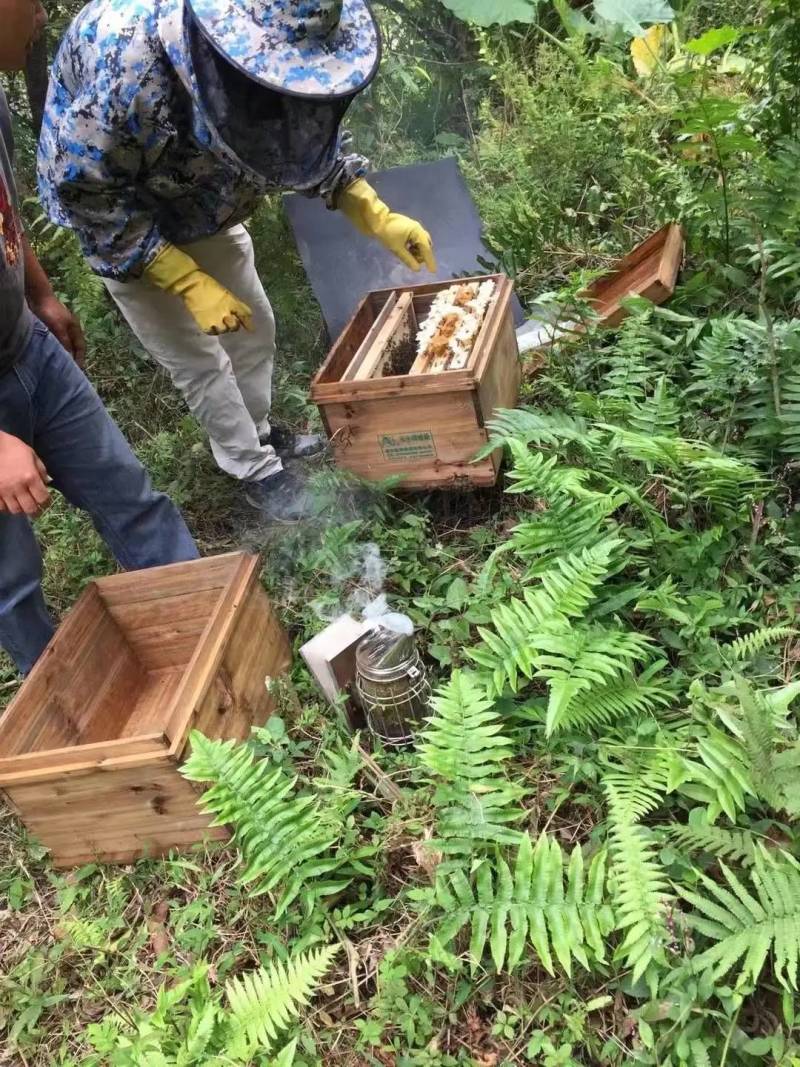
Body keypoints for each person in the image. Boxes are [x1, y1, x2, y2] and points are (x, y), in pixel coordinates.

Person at [38, 0, 437, 523]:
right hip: (120, 211)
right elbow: (86, 192)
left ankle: (259, 431)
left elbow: (293, 129)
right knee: (199, 359)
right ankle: (251, 469)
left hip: (203, 198)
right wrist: (183, 279)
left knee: (254, 325)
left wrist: (372, 209)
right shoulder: (127, 67)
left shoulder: (277, 46)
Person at [0, 0, 199, 676]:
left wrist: (40, 293)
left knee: (129, 497)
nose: (39, 15)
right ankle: (76, 741)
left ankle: (211, 646)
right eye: (30, 3)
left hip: (27, 349)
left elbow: (3, 215)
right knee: (12, 585)